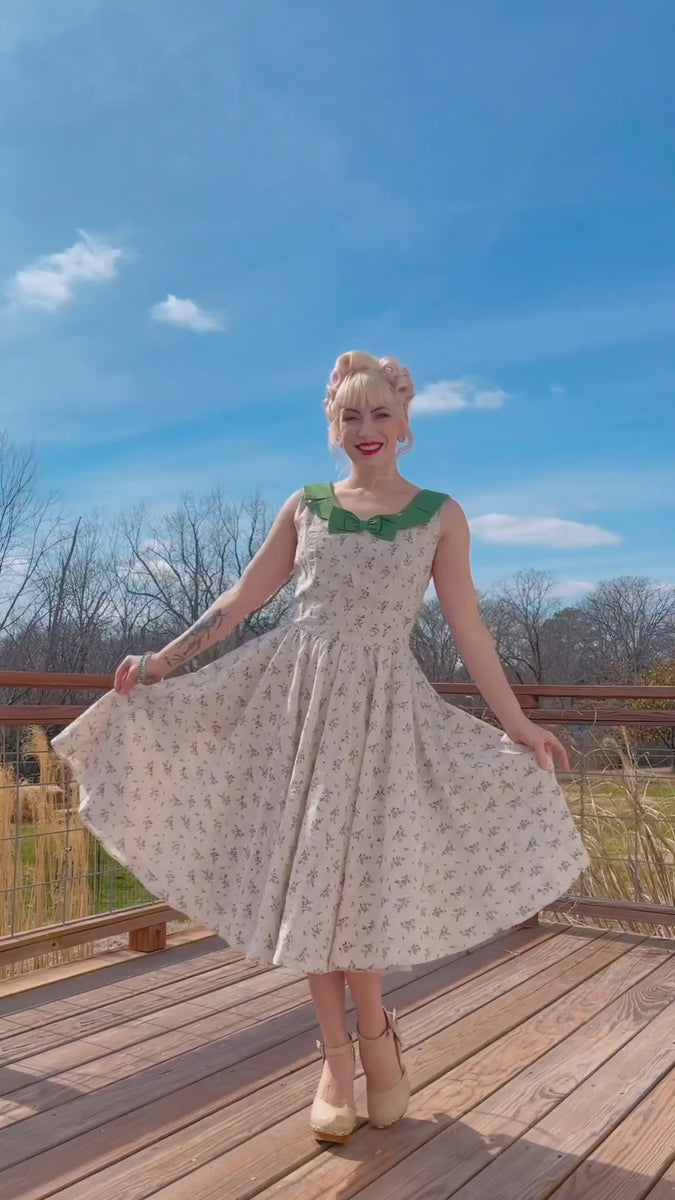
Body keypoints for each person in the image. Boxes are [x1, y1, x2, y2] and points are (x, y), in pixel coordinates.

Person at [52, 350, 589, 1144]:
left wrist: (516, 724)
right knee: (310, 883)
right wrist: (164, 660)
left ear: (403, 424)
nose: (365, 428)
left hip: (380, 717)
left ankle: (376, 1042)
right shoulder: (305, 506)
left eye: (379, 414)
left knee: (357, 882)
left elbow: (468, 627)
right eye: (349, 415)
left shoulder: (439, 514)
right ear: (332, 425)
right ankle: (339, 1061)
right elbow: (242, 599)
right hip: (294, 712)